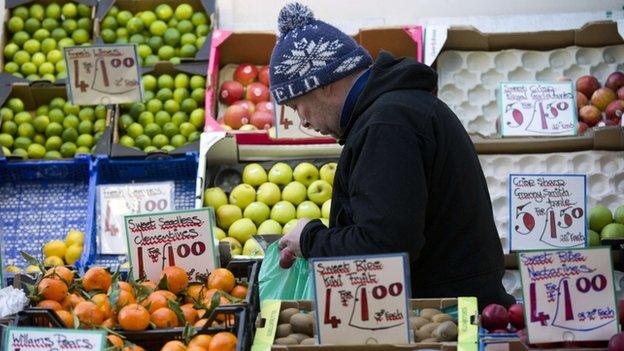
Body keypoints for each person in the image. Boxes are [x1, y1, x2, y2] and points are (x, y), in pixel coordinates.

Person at [271, 3, 514, 308]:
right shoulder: (395, 112)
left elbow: (385, 247)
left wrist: (310, 238)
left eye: (297, 107)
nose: (303, 122)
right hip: (449, 304)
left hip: (445, 314)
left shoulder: (388, 125)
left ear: (327, 84)